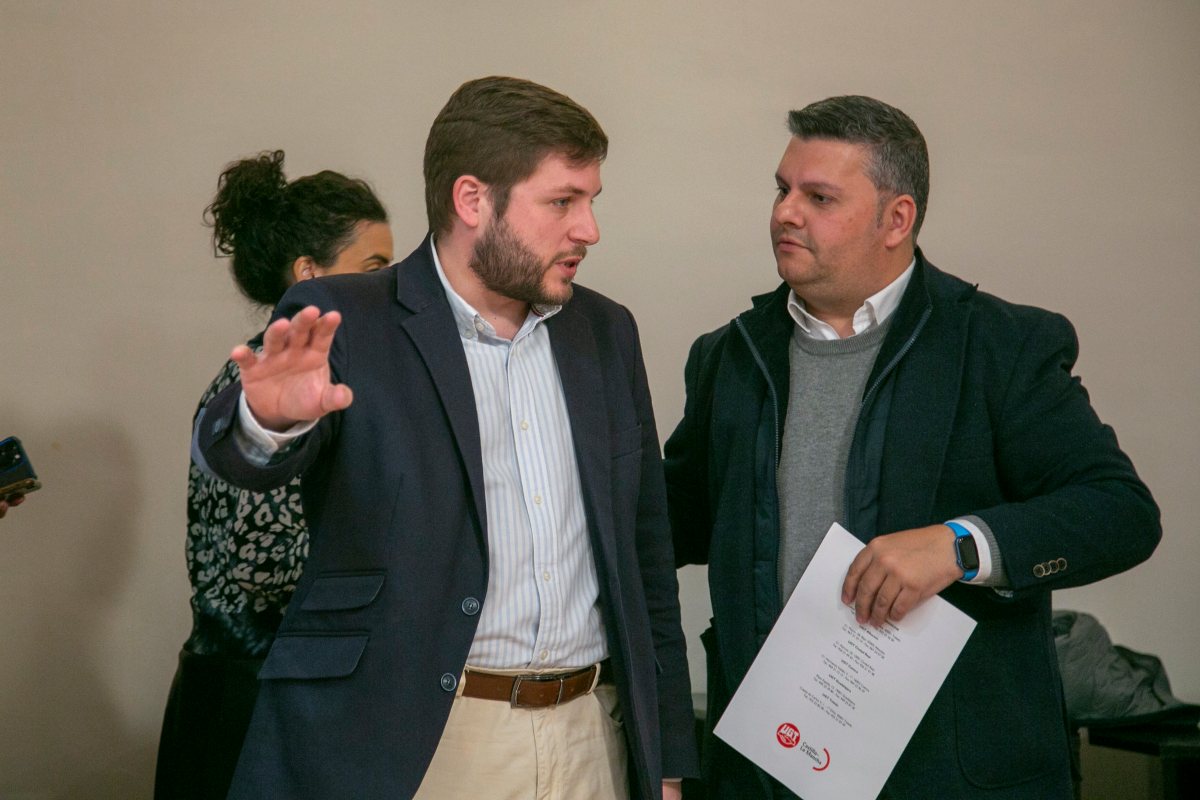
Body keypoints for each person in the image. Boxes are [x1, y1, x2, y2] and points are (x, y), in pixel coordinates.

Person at [192, 76, 698, 800]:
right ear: (472, 200)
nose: (588, 229)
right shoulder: (347, 318)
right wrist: (268, 422)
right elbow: (236, 457)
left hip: (595, 739)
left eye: (590, 201)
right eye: (562, 201)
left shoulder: (605, 331)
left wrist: (668, 759)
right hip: (424, 741)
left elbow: (647, 557)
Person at [663, 95, 1161, 799]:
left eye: (819, 196)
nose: (785, 212)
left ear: (896, 219)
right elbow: (669, 522)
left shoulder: (999, 347)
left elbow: (1121, 513)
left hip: (951, 776)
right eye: (782, 189)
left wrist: (960, 545)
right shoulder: (728, 357)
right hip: (765, 769)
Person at [156, 150, 392, 800]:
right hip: (251, 701)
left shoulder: (342, 385)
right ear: (309, 273)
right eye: (375, 267)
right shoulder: (264, 390)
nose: (393, 285)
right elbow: (263, 570)